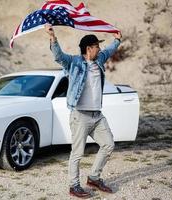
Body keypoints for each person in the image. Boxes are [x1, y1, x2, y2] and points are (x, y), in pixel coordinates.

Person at [45, 24, 122, 198]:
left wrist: (117, 39)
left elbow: (109, 51)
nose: (99, 49)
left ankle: (94, 178)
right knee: (77, 153)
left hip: (97, 115)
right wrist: (52, 37)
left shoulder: (99, 60)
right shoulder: (74, 63)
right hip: (80, 116)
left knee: (108, 144)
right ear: (89, 48)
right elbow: (58, 56)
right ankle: (74, 186)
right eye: (96, 46)